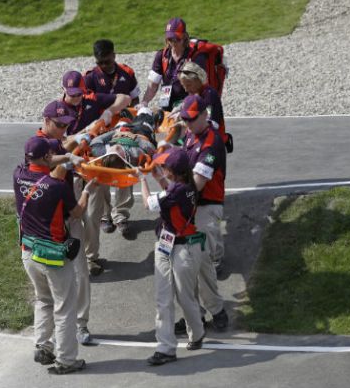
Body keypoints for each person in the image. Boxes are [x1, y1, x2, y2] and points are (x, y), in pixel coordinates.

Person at [14, 136, 99, 375]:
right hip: (52, 255)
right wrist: (88, 191)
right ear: (47, 158)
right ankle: (66, 360)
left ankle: (42, 345)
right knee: (64, 308)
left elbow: (48, 161)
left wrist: (69, 158)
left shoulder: (18, 174)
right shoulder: (57, 187)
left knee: (43, 300)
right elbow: (77, 212)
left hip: (28, 252)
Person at [138, 147, 208, 365]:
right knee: (163, 299)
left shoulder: (178, 190)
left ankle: (197, 334)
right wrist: (159, 179)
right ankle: (166, 348)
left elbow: (148, 203)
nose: (161, 168)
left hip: (183, 249)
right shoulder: (185, 186)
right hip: (168, 246)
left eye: (164, 167)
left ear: (174, 171)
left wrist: (142, 180)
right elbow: (171, 193)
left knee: (185, 298)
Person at [59, 70, 130, 281]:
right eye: (71, 94)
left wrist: (107, 112)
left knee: (92, 217)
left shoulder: (91, 100)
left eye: (78, 93)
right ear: (63, 90)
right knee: (72, 220)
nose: (75, 98)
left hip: (91, 170)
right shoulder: (57, 111)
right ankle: (73, 259)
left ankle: (91, 258)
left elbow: (124, 98)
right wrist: (79, 135)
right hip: (69, 174)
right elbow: (59, 144)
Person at [172, 95, 229, 333]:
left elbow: (197, 185)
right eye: (184, 119)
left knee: (203, 264)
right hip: (191, 208)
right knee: (187, 266)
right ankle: (193, 314)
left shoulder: (211, 143)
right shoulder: (190, 135)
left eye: (191, 119)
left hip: (204, 208)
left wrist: (170, 193)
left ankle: (215, 310)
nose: (187, 124)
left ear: (205, 115)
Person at [84, 39, 141, 238]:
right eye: (100, 63)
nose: (104, 66)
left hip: (123, 131)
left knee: (125, 168)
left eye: (107, 61)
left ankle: (121, 215)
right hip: (100, 134)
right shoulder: (90, 79)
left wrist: (130, 117)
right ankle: (105, 216)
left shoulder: (127, 73)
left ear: (114, 55)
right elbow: (87, 106)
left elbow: (135, 100)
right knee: (101, 173)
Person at [139, 17, 208, 114]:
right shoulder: (161, 56)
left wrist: (182, 106)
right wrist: (144, 102)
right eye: (170, 39)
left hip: (190, 107)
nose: (173, 42)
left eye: (177, 39)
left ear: (184, 37)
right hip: (167, 105)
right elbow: (152, 86)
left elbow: (200, 90)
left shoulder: (196, 57)